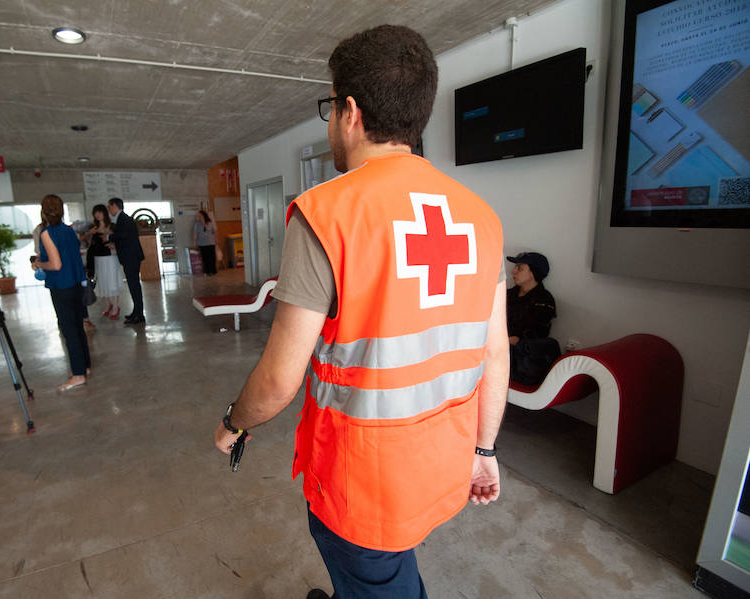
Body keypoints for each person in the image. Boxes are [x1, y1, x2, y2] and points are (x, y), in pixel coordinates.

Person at [212, 25, 508, 599]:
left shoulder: (328, 212)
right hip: (443, 460)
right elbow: (495, 352)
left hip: (362, 482)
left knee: (378, 580)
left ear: (349, 111)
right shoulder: (481, 217)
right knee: (387, 569)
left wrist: (235, 422)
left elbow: (277, 380)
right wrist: (484, 451)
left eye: (329, 107)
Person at [32, 194, 91, 392]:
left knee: (69, 330)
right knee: (78, 325)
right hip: (76, 284)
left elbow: (55, 264)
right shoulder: (68, 230)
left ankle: (77, 375)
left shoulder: (46, 233)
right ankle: (85, 366)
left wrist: (39, 263)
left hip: (62, 286)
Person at [506, 252, 559, 384]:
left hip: (521, 357)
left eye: (520, 268)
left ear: (533, 273)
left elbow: (532, 335)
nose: (513, 271)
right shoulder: (509, 294)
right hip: (500, 347)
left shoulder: (544, 300)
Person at [106, 197, 145, 325]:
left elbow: (124, 235)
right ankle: (136, 312)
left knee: (134, 286)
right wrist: (116, 244)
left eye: (109, 207)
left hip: (131, 257)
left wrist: (109, 237)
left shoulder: (124, 219)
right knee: (133, 286)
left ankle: (139, 315)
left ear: (114, 206)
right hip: (130, 256)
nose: (109, 210)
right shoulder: (122, 218)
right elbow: (126, 238)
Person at [84, 204, 122, 319]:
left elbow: (119, 241)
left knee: (111, 281)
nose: (97, 215)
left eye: (99, 212)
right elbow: (89, 243)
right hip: (97, 258)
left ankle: (115, 306)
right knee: (102, 282)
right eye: (95, 213)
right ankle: (108, 305)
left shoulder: (111, 226)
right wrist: (89, 234)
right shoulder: (93, 227)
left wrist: (113, 244)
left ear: (104, 213)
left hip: (109, 258)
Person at [193, 210, 218, 275]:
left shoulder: (210, 223)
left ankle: (213, 271)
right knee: (205, 258)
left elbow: (215, 232)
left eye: (200, 215)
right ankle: (207, 271)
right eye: (198, 216)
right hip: (202, 243)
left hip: (211, 243)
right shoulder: (197, 224)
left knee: (212, 258)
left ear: (204, 216)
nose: (198, 216)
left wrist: (216, 240)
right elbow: (195, 234)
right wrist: (195, 243)